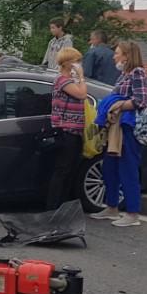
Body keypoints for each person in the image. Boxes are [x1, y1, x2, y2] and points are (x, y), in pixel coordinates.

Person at [90, 40, 147, 227]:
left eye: (117, 53)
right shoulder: (123, 75)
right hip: (116, 126)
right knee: (110, 167)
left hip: (128, 126)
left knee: (128, 168)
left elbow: (142, 100)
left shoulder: (138, 73)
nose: (114, 56)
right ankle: (112, 206)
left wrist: (118, 105)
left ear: (127, 55)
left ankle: (133, 213)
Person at [46, 47, 89, 210]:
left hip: (75, 130)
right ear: (67, 63)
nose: (79, 64)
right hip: (66, 130)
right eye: (77, 61)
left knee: (70, 168)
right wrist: (81, 77)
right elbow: (81, 94)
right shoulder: (62, 81)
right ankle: (54, 205)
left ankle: (63, 203)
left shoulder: (68, 81)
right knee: (62, 169)